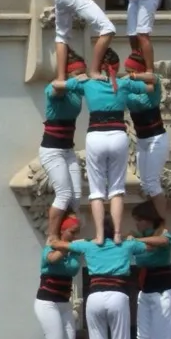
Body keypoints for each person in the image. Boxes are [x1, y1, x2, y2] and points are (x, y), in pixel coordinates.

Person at [66, 50, 154, 246]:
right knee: (116, 190)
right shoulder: (124, 83)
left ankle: (99, 235)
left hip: (96, 136)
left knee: (96, 190)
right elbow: (151, 83)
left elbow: (59, 85)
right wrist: (134, 75)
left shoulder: (87, 83)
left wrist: (79, 77)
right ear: (117, 67)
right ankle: (116, 233)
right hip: (118, 136)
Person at [130, 203, 171, 339]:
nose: (137, 223)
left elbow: (164, 241)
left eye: (140, 219)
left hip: (162, 293)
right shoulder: (140, 240)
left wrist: (138, 240)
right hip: (145, 293)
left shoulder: (162, 234)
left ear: (149, 219)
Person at [39, 54, 87, 239]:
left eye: (83, 72)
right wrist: (75, 81)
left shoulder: (77, 92)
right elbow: (57, 89)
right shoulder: (55, 88)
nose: (81, 76)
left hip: (68, 149)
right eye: (77, 73)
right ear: (67, 74)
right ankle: (52, 236)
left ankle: (68, 231)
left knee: (75, 197)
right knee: (64, 194)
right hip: (52, 150)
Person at [35, 218, 83, 339]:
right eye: (72, 232)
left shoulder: (72, 252)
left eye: (77, 232)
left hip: (64, 304)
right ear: (62, 231)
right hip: (47, 303)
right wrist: (64, 245)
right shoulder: (50, 249)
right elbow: (53, 258)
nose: (75, 236)